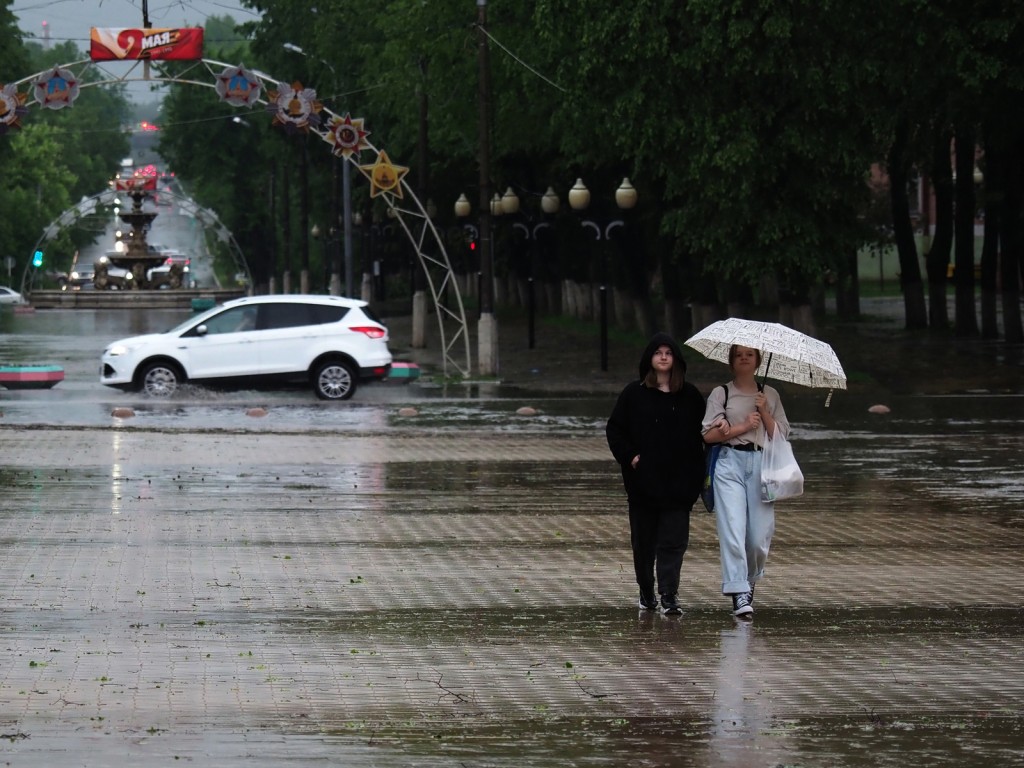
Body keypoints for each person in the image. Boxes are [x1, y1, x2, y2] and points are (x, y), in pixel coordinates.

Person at [606, 332, 706, 615]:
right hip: (643, 485)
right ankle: (646, 590)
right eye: (658, 352)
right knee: (644, 542)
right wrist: (631, 457)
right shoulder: (633, 393)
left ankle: (669, 594)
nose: (663, 356)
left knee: (674, 543)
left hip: (679, 486)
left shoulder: (690, 396)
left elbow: (704, 431)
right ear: (649, 358)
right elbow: (615, 430)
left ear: (676, 360)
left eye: (669, 352)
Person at [701, 344, 790, 618]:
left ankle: (750, 580)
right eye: (738, 355)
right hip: (729, 464)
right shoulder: (721, 393)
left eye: (749, 355)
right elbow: (707, 435)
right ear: (731, 361)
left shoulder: (770, 394)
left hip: (761, 465)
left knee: (758, 535)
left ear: (757, 361)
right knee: (733, 529)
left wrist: (764, 413)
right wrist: (738, 427)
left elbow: (782, 436)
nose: (744, 358)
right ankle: (738, 592)